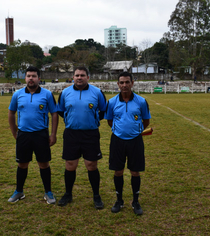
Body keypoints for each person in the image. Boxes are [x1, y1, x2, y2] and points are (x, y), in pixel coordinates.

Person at [57, 66, 107, 209]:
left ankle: (96, 196)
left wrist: (94, 120)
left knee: (91, 165)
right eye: (77, 75)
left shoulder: (97, 92)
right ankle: (68, 193)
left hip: (90, 134)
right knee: (70, 165)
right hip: (71, 133)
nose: (79, 77)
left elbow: (103, 110)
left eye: (82, 75)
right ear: (73, 77)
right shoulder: (65, 92)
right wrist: (70, 119)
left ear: (88, 77)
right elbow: (60, 110)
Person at [8, 66, 59, 204]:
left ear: (39, 79)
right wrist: (15, 132)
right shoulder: (17, 94)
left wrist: (53, 134)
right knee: (22, 164)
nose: (31, 78)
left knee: (44, 164)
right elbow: (11, 112)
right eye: (29, 76)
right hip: (23, 135)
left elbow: (54, 113)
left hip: (41, 134)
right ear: (25, 78)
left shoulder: (47, 94)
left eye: (34, 76)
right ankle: (19, 191)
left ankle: (48, 192)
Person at [105, 72, 151, 214]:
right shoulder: (112, 102)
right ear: (118, 84)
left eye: (127, 82)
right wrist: (121, 131)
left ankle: (135, 202)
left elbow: (146, 121)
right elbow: (109, 121)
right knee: (118, 171)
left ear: (132, 83)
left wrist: (134, 131)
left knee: (135, 171)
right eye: (122, 83)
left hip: (135, 140)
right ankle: (119, 200)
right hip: (117, 140)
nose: (124, 85)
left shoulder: (141, 101)